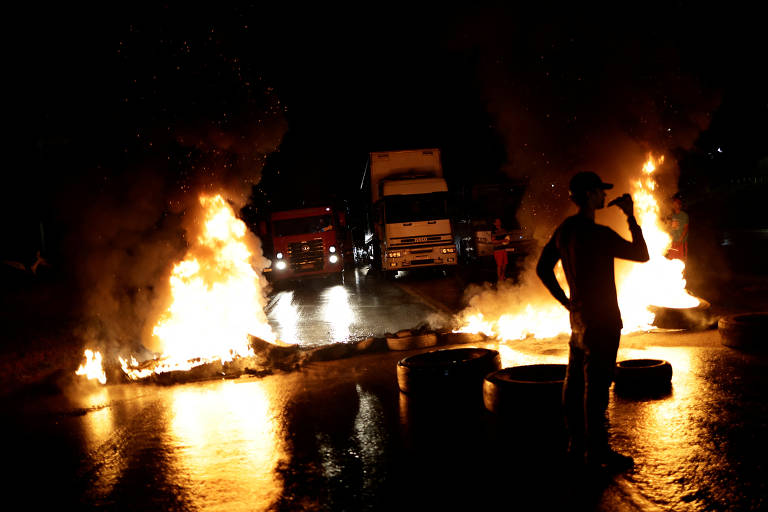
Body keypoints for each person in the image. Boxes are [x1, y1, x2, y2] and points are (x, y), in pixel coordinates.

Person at [536, 171, 649, 471]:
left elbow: (542, 269)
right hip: (604, 322)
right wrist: (630, 216)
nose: (604, 195)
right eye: (600, 191)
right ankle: (598, 452)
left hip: (579, 322)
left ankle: (576, 445)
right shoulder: (598, 235)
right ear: (588, 195)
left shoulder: (565, 230)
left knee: (574, 386)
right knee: (597, 390)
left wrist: (566, 302)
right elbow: (642, 254)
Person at [665, 194, 689, 262]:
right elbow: (670, 228)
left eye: (677, 203)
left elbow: (685, 229)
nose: (675, 205)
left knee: (681, 261)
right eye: (674, 203)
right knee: (671, 260)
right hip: (673, 243)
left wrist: (680, 240)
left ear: (680, 205)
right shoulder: (672, 216)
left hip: (681, 243)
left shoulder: (684, 215)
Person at [491, 218, 510, 282]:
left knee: (505, 264)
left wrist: (507, 241)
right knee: (499, 265)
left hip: (504, 249)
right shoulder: (494, 231)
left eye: (499, 221)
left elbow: (507, 238)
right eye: (497, 221)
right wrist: (502, 240)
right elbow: (493, 241)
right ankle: (499, 279)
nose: (499, 222)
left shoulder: (504, 230)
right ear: (494, 223)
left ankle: (503, 276)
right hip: (497, 250)